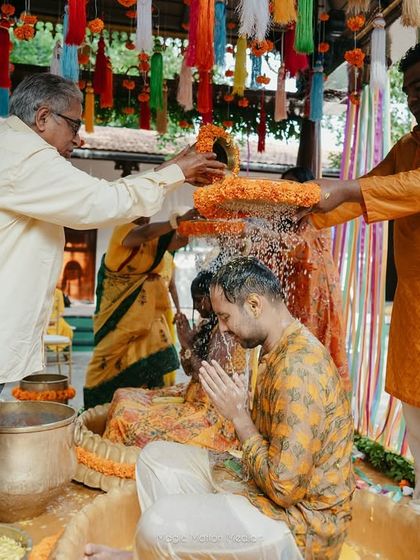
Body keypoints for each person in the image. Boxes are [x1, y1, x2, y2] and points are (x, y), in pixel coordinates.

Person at [84, 257, 354, 560]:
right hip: (261, 486)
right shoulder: (273, 347)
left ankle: (147, 552)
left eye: (225, 317)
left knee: (155, 527)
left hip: (300, 528)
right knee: (154, 460)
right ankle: (162, 553)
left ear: (254, 305)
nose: (222, 329)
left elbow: (284, 489)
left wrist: (239, 417)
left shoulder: (298, 369)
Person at [0, 72, 225, 391]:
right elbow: (104, 200)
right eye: (75, 126)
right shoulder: (26, 156)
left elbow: (109, 193)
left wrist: (171, 170)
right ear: (43, 117)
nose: (79, 140)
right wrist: (175, 174)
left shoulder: (12, 145)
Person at [308, 43, 420, 510]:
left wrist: (348, 187)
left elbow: (401, 188)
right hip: (414, 320)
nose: (416, 99)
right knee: (418, 430)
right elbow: (357, 198)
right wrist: (301, 211)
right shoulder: (409, 147)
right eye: (411, 89)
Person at [101, 269, 249, 452]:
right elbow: (189, 370)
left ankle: (121, 461)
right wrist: (185, 341)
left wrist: (187, 344)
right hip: (192, 396)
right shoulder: (206, 325)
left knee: (125, 416)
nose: (196, 306)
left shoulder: (225, 332)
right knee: (122, 395)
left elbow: (205, 376)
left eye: (199, 299)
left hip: (211, 414)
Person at [83, 210, 194, 408]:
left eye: (147, 213)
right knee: (106, 362)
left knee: (156, 357)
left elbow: (178, 243)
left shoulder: (154, 243)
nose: (144, 217)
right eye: (139, 212)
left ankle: (146, 411)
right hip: (119, 314)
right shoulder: (123, 231)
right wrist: (175, 221)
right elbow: (144, 233)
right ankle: (98, 408)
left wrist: (191, 226)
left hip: (151, 313)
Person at [280, 167, 349, 388]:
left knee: (314, 346)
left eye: (293, 189)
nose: (288, 196)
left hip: (317, 294)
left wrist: (258, 235)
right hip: (296, 294)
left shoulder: (318, 217)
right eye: (284, 190)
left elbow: (299, 248)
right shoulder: (286, 222)